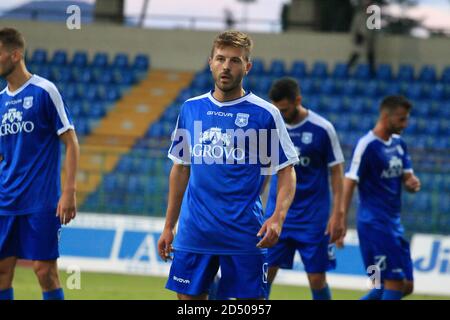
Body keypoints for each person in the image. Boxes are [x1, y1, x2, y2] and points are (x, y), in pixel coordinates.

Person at [157, 30, 299, 300]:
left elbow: (287, 170)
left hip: (244, 231)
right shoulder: (190, 109)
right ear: (210, 62)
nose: (226, 66)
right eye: (220, 59)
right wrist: (168, 225)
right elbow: (181, 168)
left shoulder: (266, 113)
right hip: (195, 230)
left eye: (235, 60)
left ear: (247, 66)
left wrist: (278, 218)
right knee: (188, 300)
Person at [0, 28, 79, 300]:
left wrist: (69, 192)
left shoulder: (45, 91)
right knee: (1, 271)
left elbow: (71, 142)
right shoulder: (0, 101)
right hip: (5, 200)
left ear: (15, 54)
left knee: (44, 271)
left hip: (40, 200)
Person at [264, 78, 345, 300]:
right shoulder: (271, 127)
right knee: (264, 273)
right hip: (277, 216)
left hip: (313, 218)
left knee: (317, 278)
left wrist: (338, 214)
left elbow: (337, 172)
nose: (280, 113)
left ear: (297, 100)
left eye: (284, 109)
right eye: (276, 109)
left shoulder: (322, 128)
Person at [341, 95, 420, 300]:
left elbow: (407, 176)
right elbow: (349, 181)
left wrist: (412, 183)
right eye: (401, 119)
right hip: (375, 225)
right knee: (393, 283)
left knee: (403, 286)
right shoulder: (367, 145)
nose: (406, 123)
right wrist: (340, 219)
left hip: (394, 224)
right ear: (386, 116)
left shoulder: (399, 144)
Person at [347, 0, 376, 76]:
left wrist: (372, 40)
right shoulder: (359, 15)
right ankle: (348, 70)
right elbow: (353, 28)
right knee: (356, 54)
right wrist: (355, 38)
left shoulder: (373, 17)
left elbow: (374, 31)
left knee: (370, 56)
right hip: (359, 39)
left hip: (369, 41)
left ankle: (372, 73)